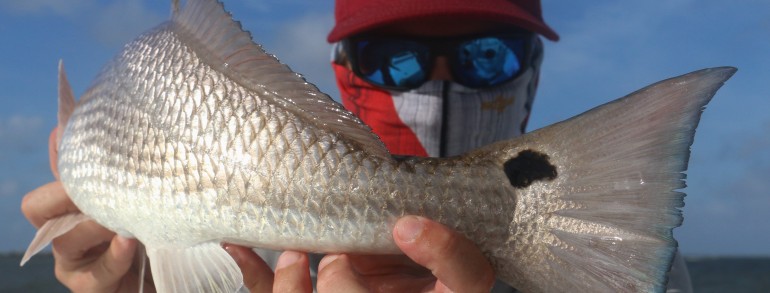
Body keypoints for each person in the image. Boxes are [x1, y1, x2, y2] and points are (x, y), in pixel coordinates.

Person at [21, 0, 692, 292]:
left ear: (532, 71)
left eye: (487, 56)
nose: (438, 82)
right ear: (342, 71)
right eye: (393, 58)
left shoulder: (602, 239)